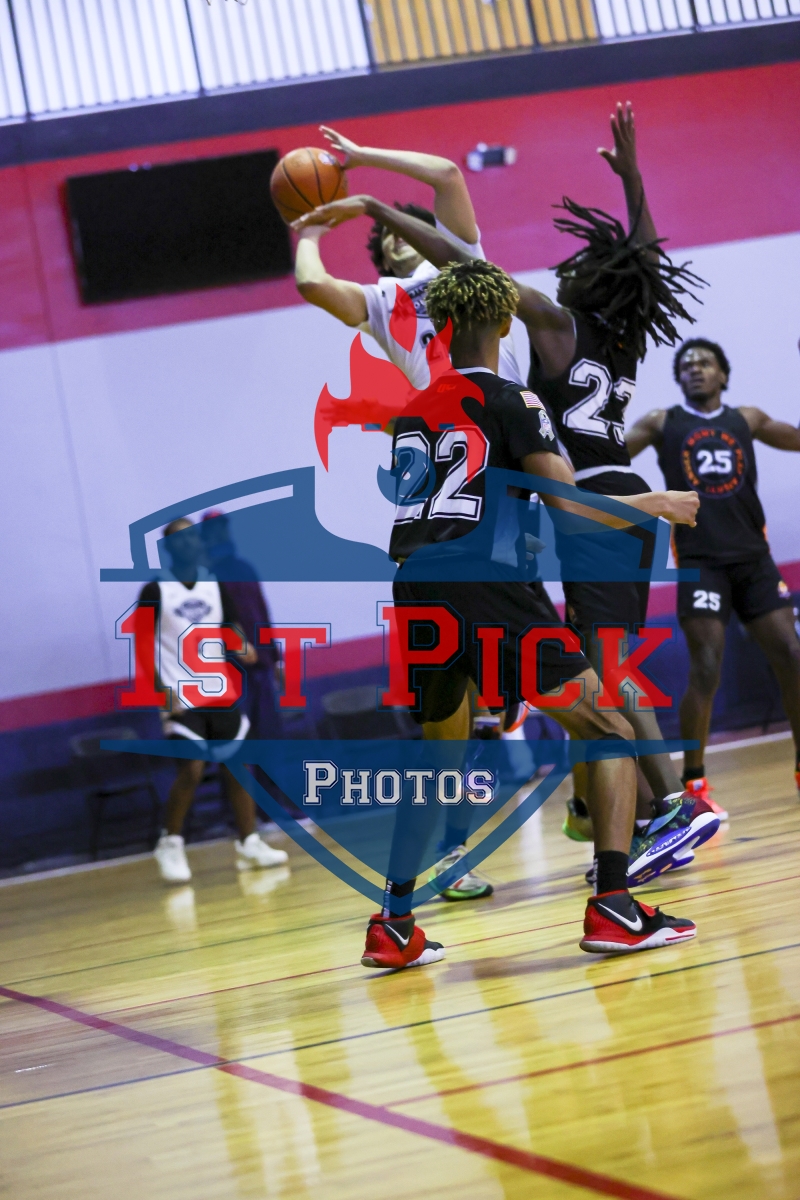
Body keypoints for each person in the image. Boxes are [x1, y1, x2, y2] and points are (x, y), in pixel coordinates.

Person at [293, 103, 718, 879]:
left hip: (571, 499)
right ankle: (598, 812)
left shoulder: (549, 326)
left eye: (577, 267)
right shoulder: (619, 332)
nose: (562, 270)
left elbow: (471, 265)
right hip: (548, 497)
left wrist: (371, 204)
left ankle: (670, 809)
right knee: (582, 670)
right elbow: (646, 263)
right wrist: (634, 183)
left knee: (598, 672)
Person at [358, 259, 701, 969]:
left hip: (416, 583)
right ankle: (614, 907)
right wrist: (656, 504)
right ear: (504, 322)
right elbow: (571, 510)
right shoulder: (515, 399)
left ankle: (392, 924)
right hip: (486, 584)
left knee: (438, 756)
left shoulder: (415, 409)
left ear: (442, 325)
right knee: (608, 729)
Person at [626, 338, 800, 808]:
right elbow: (607, 455)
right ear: (678, 378)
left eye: (704, 363)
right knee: (705, 666)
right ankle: (694, 784)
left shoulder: (748, 418)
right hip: (701, 563)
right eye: (686, 365)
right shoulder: (662, 422)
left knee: (792, 654)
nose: (695, 369)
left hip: (754, 559)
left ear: (723, 373)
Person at [293, 125, 522, 391]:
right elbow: (312, 283)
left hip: (506, 401)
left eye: (406, 230)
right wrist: (309, 233)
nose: (398, 235)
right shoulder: (380, 301)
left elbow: (448, 176)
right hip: (447, 414)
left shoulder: (460, 260)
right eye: (389, 235)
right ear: (385, 260)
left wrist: (364, 155)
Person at [140, 518, 288, 883]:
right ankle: (170, 843)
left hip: (218, 691)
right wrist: (161, 691)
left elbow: (230, 626)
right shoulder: (155, 590)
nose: (189, 543)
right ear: (169, 548)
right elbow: (142, 645)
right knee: (191, 769)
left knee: (238, 766)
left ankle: (249, 842)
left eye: (192, 537)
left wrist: (243, 646)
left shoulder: (215, 585)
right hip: (179, 694)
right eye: (180, 539)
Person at [200, 511, 283, 742]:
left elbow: (262, 614)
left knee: (269, 734)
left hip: (261, 666)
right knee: (240, 738)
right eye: (213, 530)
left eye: (223, 528)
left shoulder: (245, 569)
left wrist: (276, 660)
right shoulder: (205, 576)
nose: (221, 534)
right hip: (231, 671)